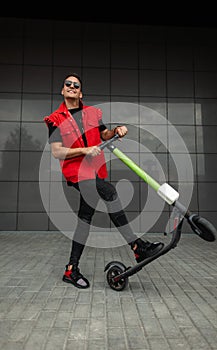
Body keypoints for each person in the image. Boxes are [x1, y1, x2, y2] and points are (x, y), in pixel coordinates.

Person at [44, 73, 163, 289]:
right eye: (67, 84)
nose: (71, 86)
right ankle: (137, 246)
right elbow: (56, 151)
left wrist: (116, 130)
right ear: (62, 91)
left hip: (95, 170)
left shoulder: (92, 113)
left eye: (76, 85)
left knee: (85, 219)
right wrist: (83, 150)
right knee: (109, 192)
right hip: (77, 172)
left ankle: (71, 269)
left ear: (81, 92)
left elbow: (104, 134)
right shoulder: (55, 119)